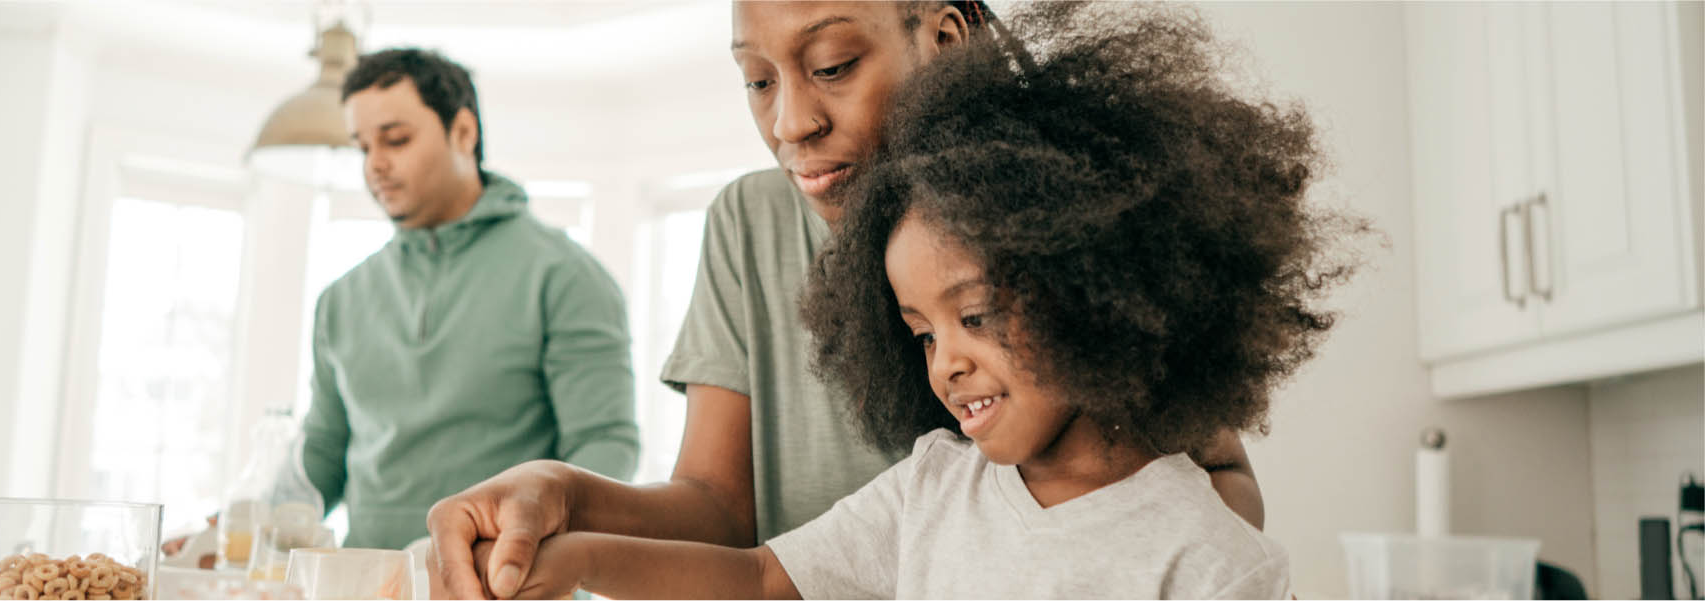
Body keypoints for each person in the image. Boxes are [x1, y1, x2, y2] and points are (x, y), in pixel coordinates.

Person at [457, 3, 1356, 597]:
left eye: (835, 65)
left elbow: (1210, 493)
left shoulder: (1069, 215)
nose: (789, 123)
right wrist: (561, 499)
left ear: (945, 37)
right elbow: (740, 545)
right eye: (759, 80)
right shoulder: (755, 226)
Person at [301, 47, 640, 549]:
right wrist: (238, 523)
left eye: (395, 139)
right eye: (363, 147)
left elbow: (605, 447)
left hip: (510, 585)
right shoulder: (341, 299)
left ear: (463, 132)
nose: (375, 165)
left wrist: (522, 547)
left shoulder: (564, 276)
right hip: (369, 583)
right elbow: (323, 454)